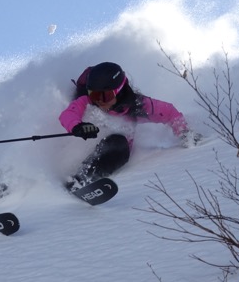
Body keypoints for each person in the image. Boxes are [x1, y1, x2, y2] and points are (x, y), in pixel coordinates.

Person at [59, 61, 200, 190]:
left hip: (114, 150)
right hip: (83, 143)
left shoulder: (138, 106)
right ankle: (76, 179)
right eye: (94, 95)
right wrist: (78, 126)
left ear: (119, 91)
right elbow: (68, 114)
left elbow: (169, 112)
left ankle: (84, 179)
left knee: (118, 143)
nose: (99, 101)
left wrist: (184, 132)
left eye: (105, 96)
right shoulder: (87, 102)